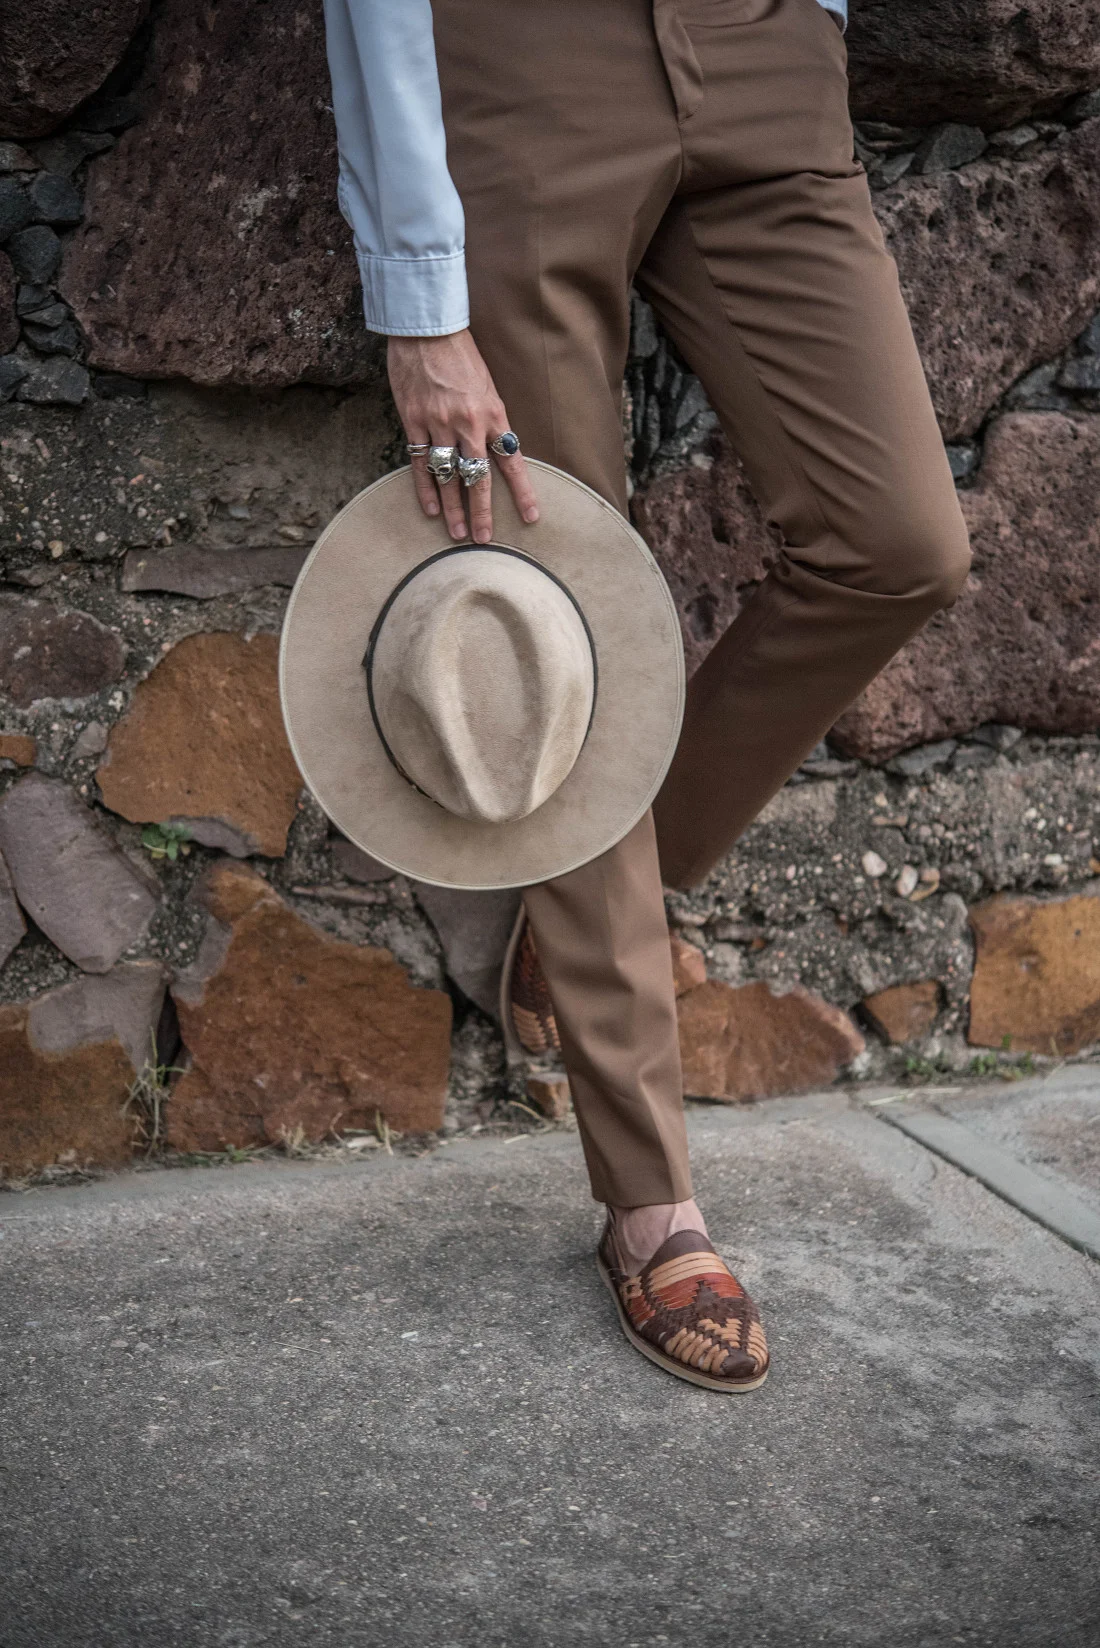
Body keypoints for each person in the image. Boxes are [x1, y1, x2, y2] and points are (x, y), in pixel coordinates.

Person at [321, 0, 972, 1392]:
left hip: (765, 54)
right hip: (522, 67)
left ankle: (595, 900)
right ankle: (649, 1199)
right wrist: (420, 300)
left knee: (902, 542)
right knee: (570, 619)